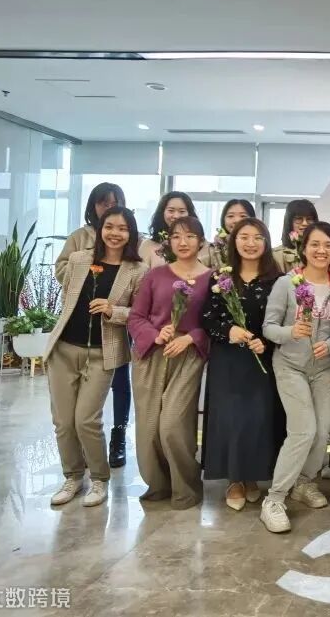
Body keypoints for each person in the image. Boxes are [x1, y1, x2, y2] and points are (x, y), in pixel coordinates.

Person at [44, 207, 147, 507]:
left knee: (86, 420)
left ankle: (100, 479)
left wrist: (114, 310)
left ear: (131, 234)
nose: (115, 233)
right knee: (63, 422)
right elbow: (67, 295)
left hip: (103, 353)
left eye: (123, 228)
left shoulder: (137, 270)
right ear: (100, 229)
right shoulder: (79, 259)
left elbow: (140, 314)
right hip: (64, 349)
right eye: (109, 226)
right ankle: (73, 476)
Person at [260, 222, 330, 533]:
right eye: (315, 244)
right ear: (304, 248)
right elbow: (268, 327)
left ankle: (304, 483)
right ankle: (274, 499)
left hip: (325, 368)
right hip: (290, 366)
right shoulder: (286, 283)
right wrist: (290, 332)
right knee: (303, 431)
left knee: (322, 432)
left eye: (328, 245)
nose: (322, 251)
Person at [127, 216, 212, 509]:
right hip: (151, 354)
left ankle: (186, 487)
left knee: (173, 424)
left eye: (190, 236)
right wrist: (156, 334)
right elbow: (136, 317)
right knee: (149, 427)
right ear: (169, 242)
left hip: (187, 356)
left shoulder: (212, 279)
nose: (183, 242)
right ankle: (158, 484)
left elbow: (215, 324)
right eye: (176, 236)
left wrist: (191, 338)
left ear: (201, 241)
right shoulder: (155, 275)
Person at [200, 217, 281, 512]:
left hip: (262, 360)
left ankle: (252, 476)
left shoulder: (278, 280)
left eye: (257, 237)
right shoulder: (221, 278)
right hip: (228, 360)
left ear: (266, 243)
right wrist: (229, 331)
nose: (250, 243)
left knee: (258, 419)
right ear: (234, 241)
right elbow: (207, 318)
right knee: (231, 419)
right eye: (244, 237)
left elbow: (284, 320)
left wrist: (266, 342)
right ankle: (234, 479)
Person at [53, 182, 133, 470]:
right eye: (103, 203)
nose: (109, 207)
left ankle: (118, 436)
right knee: (67, 416)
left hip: (111, 335)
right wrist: (86, 267)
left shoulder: (130, 246)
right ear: (93, 206)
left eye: (115, 201)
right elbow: (61, 268)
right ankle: (76, 466)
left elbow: (137, 295)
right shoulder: (80, 239)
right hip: (74, 332)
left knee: (116, 387)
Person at [139, 192, 210, 268]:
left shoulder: (201, 244)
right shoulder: (148, 245)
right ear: (162, 213)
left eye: (182, 211)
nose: (176, 216)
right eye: (171, 211)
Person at [207, 198, 256, 269]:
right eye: (230, 216)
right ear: (223, 219)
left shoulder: (259, 245)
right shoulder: (212, 248)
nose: (236, 220)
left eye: (243, 216)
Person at [274, 199, 319, 273]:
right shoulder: (278, 254)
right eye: (298, 219)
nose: (305, 223)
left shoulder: (322, 251)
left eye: (309, 219)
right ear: (289, 222)